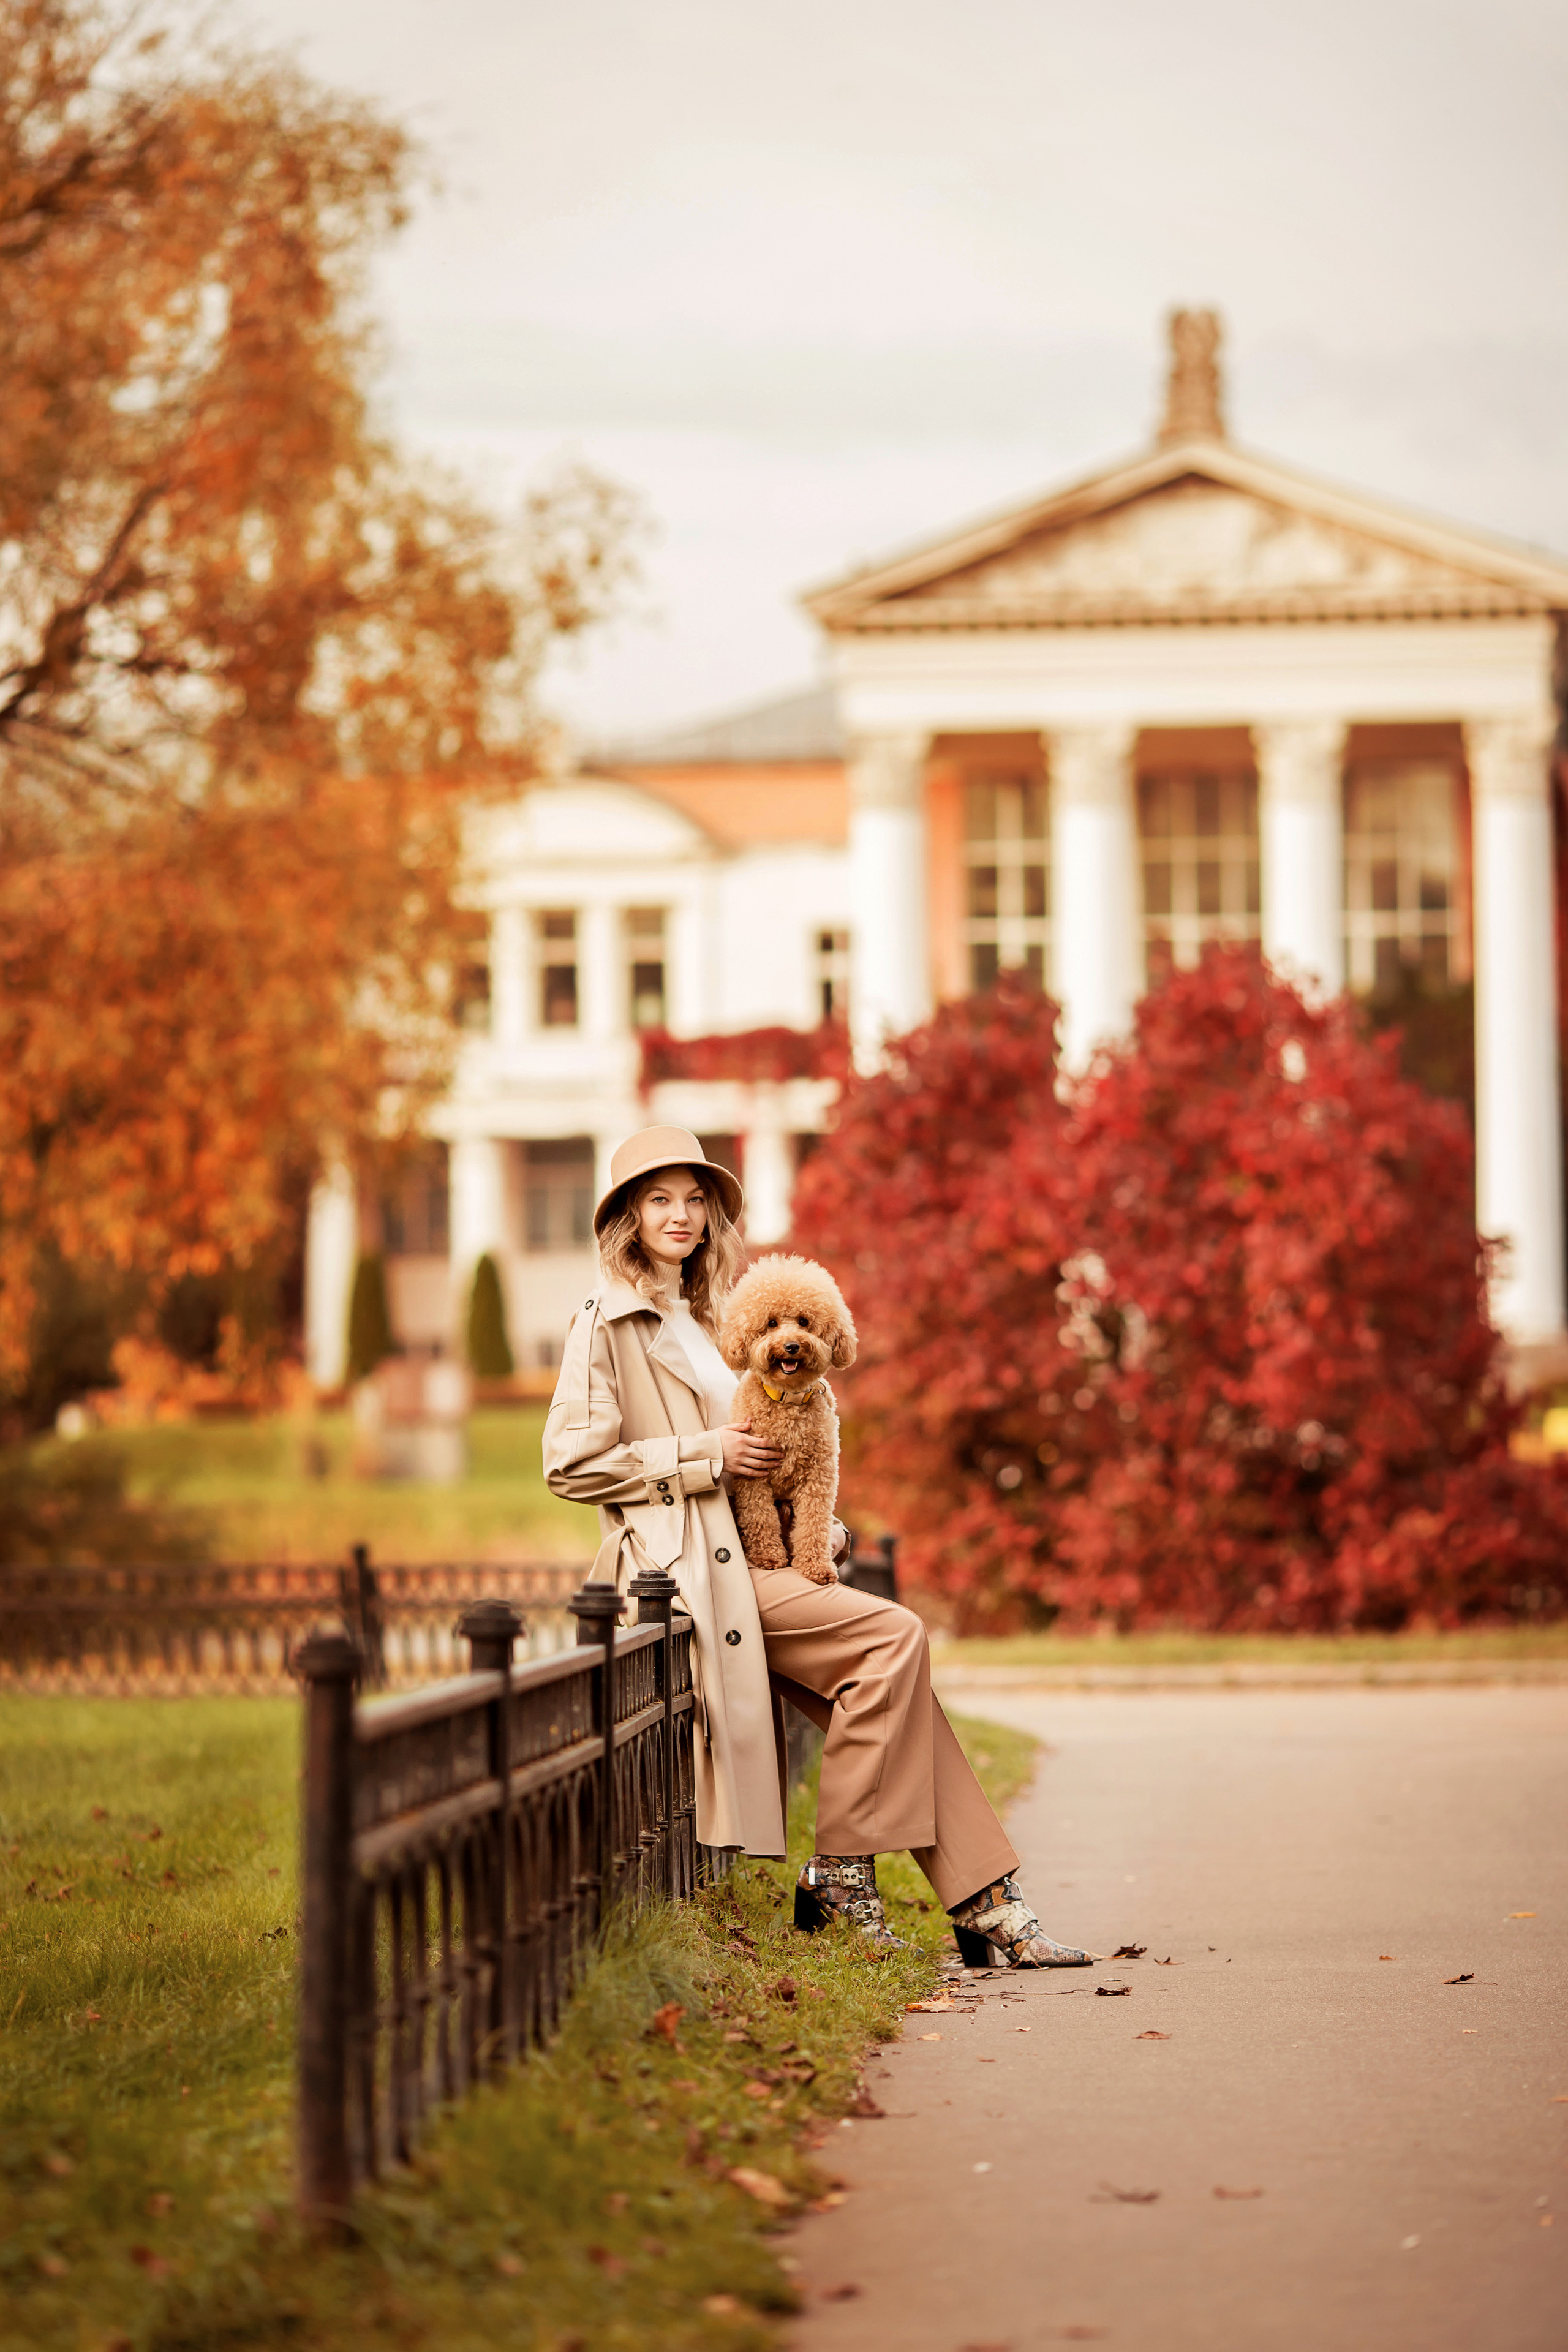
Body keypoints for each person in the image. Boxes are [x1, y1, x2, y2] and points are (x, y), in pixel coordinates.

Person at [543, 1124, 1092, 1967]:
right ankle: (843, 1875)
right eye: (660, 1199)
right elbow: (570, 1464)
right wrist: (704, 1457)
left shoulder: (711, 1313)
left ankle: (989, 1901)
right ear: (627, 1216)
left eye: (696, 1199)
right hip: (688, 1572)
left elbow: (780, 1439)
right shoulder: (604, 1321)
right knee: (896, 1637)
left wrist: (810, 1519)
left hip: (752, 1560)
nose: (681, 1216)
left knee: (895, 1686)